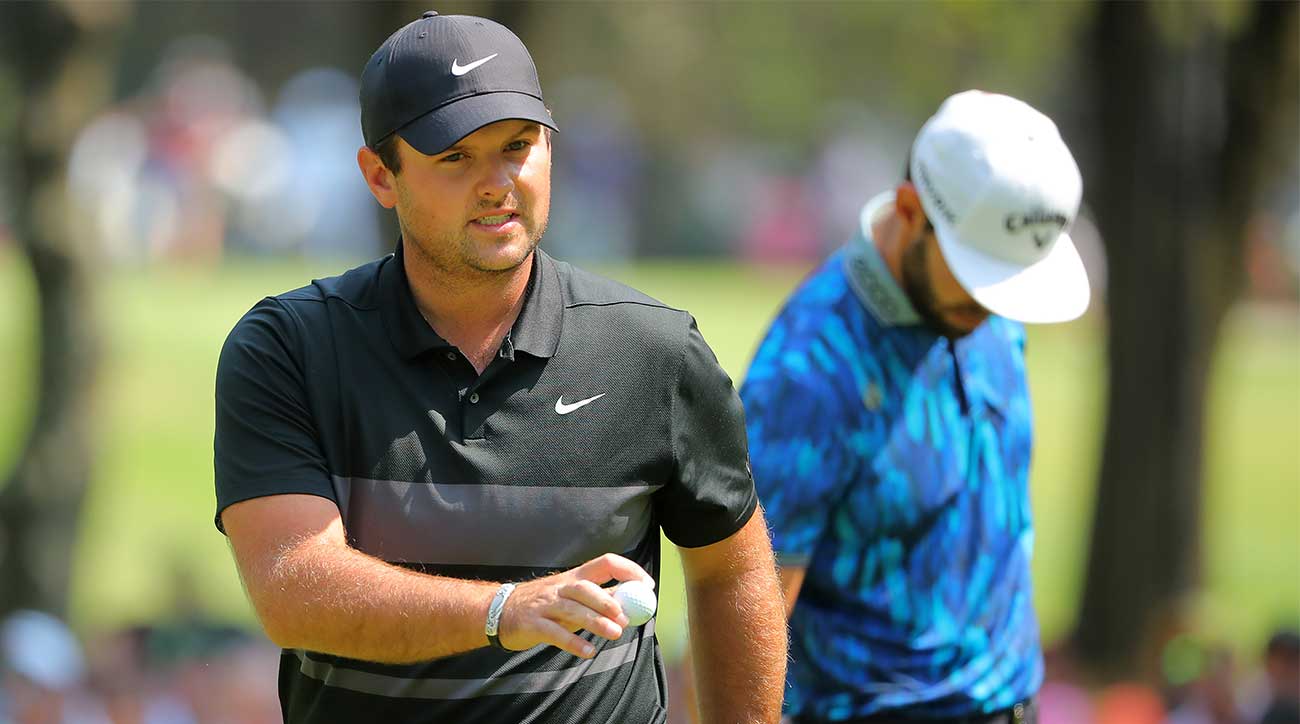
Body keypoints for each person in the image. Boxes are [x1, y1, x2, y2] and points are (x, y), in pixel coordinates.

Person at [212, 11, 786, 724]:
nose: (497, 184)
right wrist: (503, 611)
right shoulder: (289, 349)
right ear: (379, 175)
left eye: (517, 147)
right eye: (455, 157)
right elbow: (294, 588)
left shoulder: (653, 351)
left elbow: (731, 569)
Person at [741, 90, 1091, 723]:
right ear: (911, 209)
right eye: (978, 275)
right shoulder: (807, 374)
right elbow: (747, 619)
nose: (993, 305)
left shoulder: (975, 306)